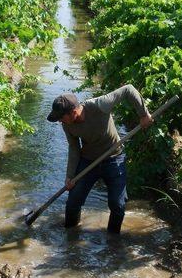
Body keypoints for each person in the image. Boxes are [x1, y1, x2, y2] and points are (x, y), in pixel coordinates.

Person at [46, 85, 153, 234]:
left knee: (117, 204)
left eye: (61, 118)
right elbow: (74, 148)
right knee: (73, 202)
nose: (60, 122)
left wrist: (143, 114)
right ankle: (70, 235)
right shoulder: (67, 125)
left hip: (114, 157)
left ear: (73, 112)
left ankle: (113, 241)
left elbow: (128, 89)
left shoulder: (99, 105)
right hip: (88, 160)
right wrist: (70, 176)